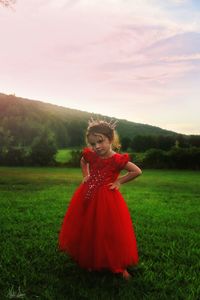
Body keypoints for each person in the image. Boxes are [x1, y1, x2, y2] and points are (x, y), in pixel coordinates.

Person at [58, 118, 142, 280]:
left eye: (100, 141)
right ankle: (90, 259)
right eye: (93, 143)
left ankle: (117, 265)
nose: (96, 147)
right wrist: (86, 176)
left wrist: (118, 181)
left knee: (109, 230)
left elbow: (136, 171)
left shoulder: (117, 159)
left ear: (110, 139)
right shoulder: (92, 156)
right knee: (89, 228)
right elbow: (83, 161)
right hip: (87, 195)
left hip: (107, 200)